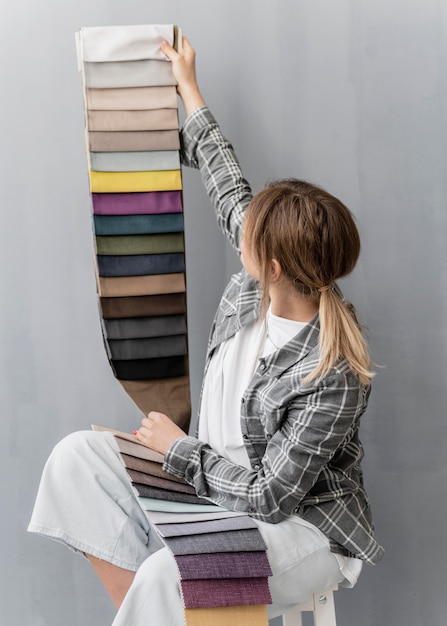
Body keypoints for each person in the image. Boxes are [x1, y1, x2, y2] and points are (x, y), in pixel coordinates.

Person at [28, 36, 384, 625]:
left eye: (248, 233)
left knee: (174, 575)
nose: (237, 227)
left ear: (271, 265)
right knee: (76, 460)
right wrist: (188, 86)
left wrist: (178, 449)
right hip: (210, 483)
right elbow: (228, 185)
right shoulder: (261, 283)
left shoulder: (335, 370)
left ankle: (169, 602)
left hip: (299, 529)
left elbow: (272, 497)